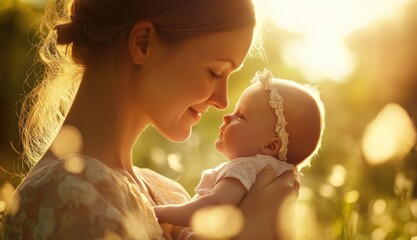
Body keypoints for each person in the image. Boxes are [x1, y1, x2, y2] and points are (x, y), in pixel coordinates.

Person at [3, 0, 300, 239]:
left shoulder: (168, 192)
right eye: (214, 72)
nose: (222, 101)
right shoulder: (63, 197)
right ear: (143, 43)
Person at [154, 69, 325, 229]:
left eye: (241, 116)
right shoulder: (280, 177)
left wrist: (159, 212)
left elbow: (213, 207)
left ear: (270, 146)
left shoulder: (247, 167)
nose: (227, 116)